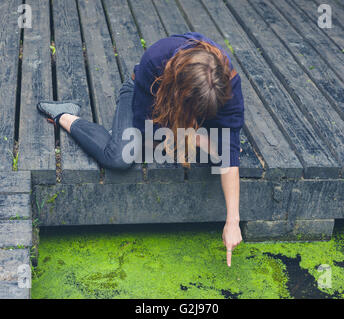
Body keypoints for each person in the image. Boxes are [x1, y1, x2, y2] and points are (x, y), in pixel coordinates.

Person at [37, 32, 245, 267]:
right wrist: (190, 137)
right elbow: (146, 130)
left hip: (185, 115)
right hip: (145, 99)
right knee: (118, 156)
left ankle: (122, 134)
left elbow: (230, 150)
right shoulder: (156, 59)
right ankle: (64, 116)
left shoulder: (227, 84)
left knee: (216, 151)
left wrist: (232, 221)